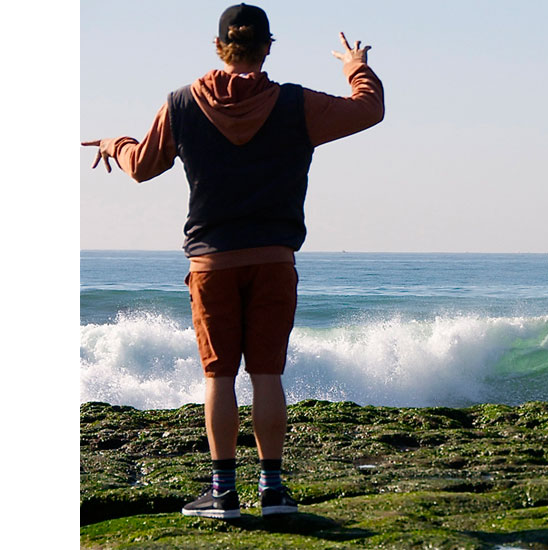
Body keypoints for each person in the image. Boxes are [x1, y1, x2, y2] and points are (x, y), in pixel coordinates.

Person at [82, 4, 384, 519]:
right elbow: (369, 108)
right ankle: (272, 491)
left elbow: (141, 167)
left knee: (219, 377)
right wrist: (354, 64)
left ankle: (223, 492)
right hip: (273, 258)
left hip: (211, 262)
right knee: (267, 374)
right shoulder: (295, 105)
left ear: (219, 46)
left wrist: (116, 142)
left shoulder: (181, 103)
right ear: (267, 47)